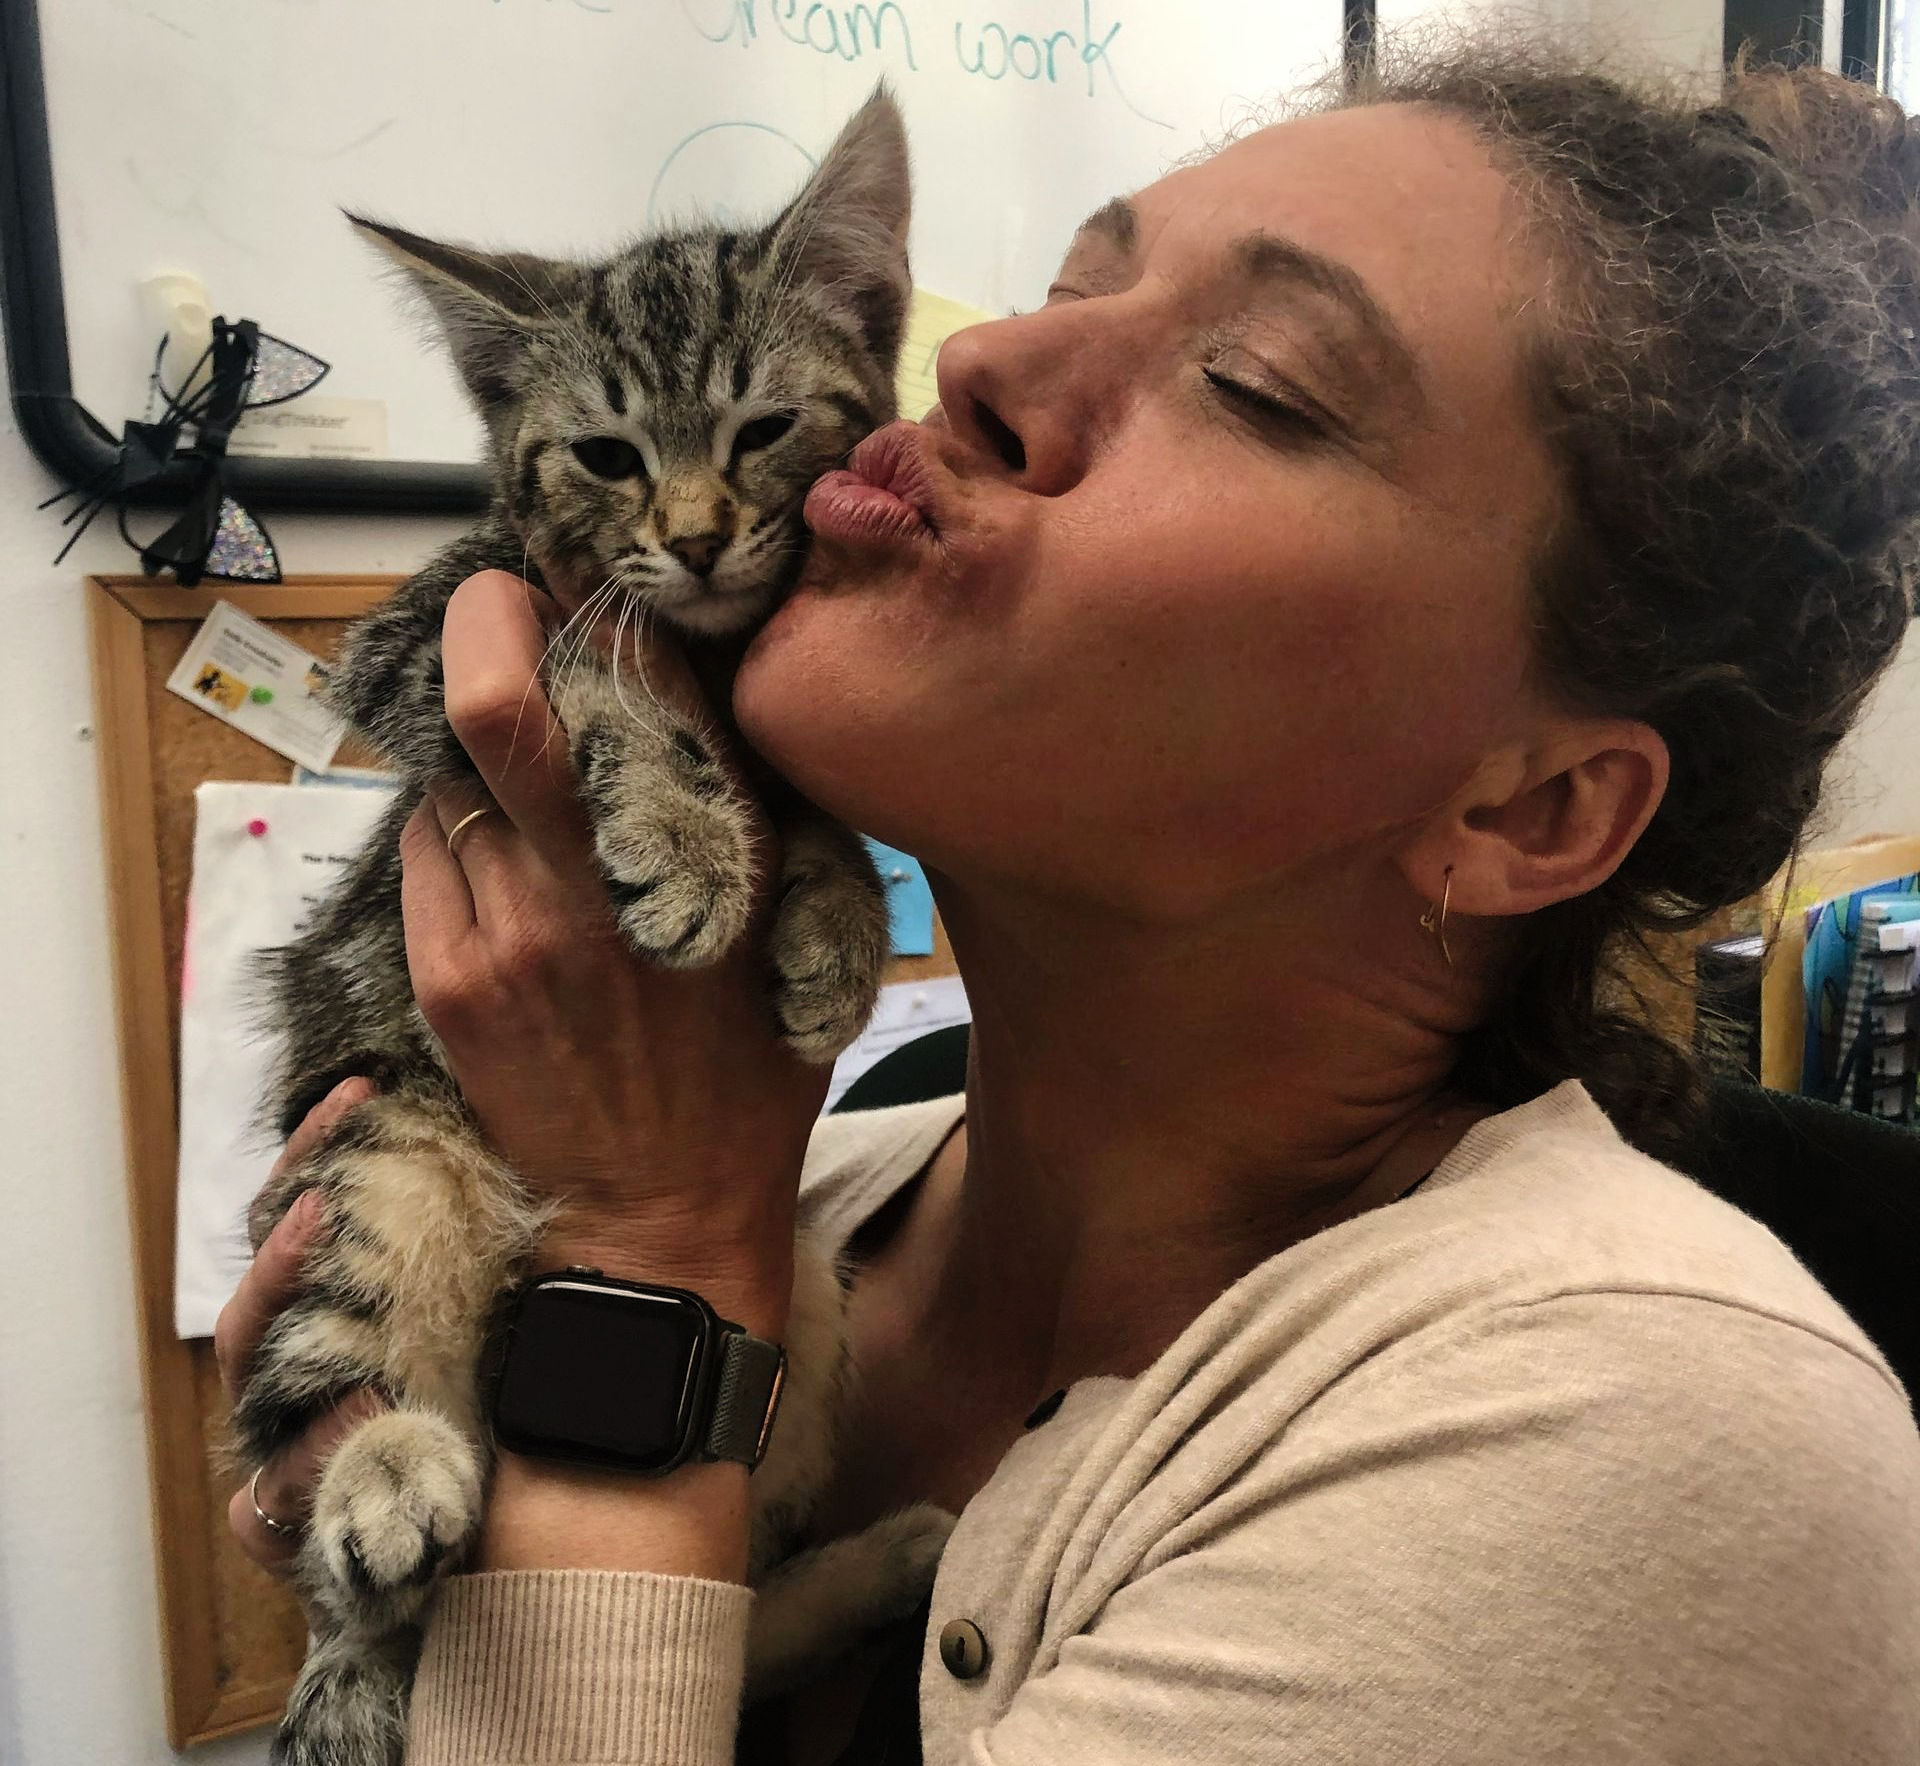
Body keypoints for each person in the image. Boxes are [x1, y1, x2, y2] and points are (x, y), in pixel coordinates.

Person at [216, 40, 1920, 1766]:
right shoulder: (855, 1141)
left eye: (1255, 380)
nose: (971, 360)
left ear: (1533, 805)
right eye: (1055, 288)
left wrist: (644, 1265)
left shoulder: (1640, 1431)